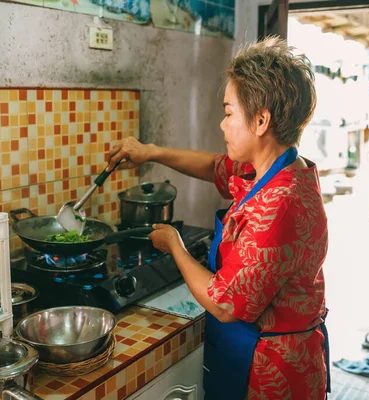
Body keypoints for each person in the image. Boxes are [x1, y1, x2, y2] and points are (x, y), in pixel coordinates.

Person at [107, 37, 330, 400]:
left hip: (271, 370)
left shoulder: (281, 202)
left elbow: (226, 304)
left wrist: (175, 247)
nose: (222, 125)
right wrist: (151, 152)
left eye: (229, 113)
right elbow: (215, 167)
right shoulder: (272, 168)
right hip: (256, 349)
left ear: (260, 120)